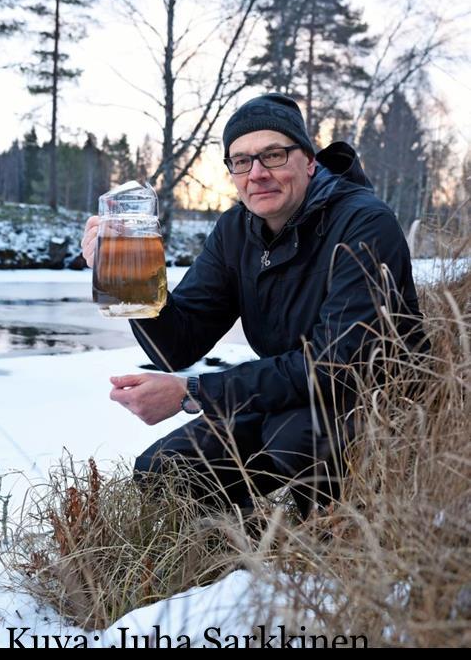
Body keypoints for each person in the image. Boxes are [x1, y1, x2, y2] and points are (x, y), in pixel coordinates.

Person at [81, 92, 429, 519]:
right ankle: (248, 541)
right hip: (287, 395)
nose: (257, 174)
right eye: (241, 161)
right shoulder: (236, 229)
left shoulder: (364, 222)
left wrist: (194, 393)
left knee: (295, 436)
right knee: (163, 471)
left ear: (309, 161)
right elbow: (177, 345)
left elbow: (339, 366)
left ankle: (341, 541)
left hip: (378, 405)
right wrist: (128, 282)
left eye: (274, 155)